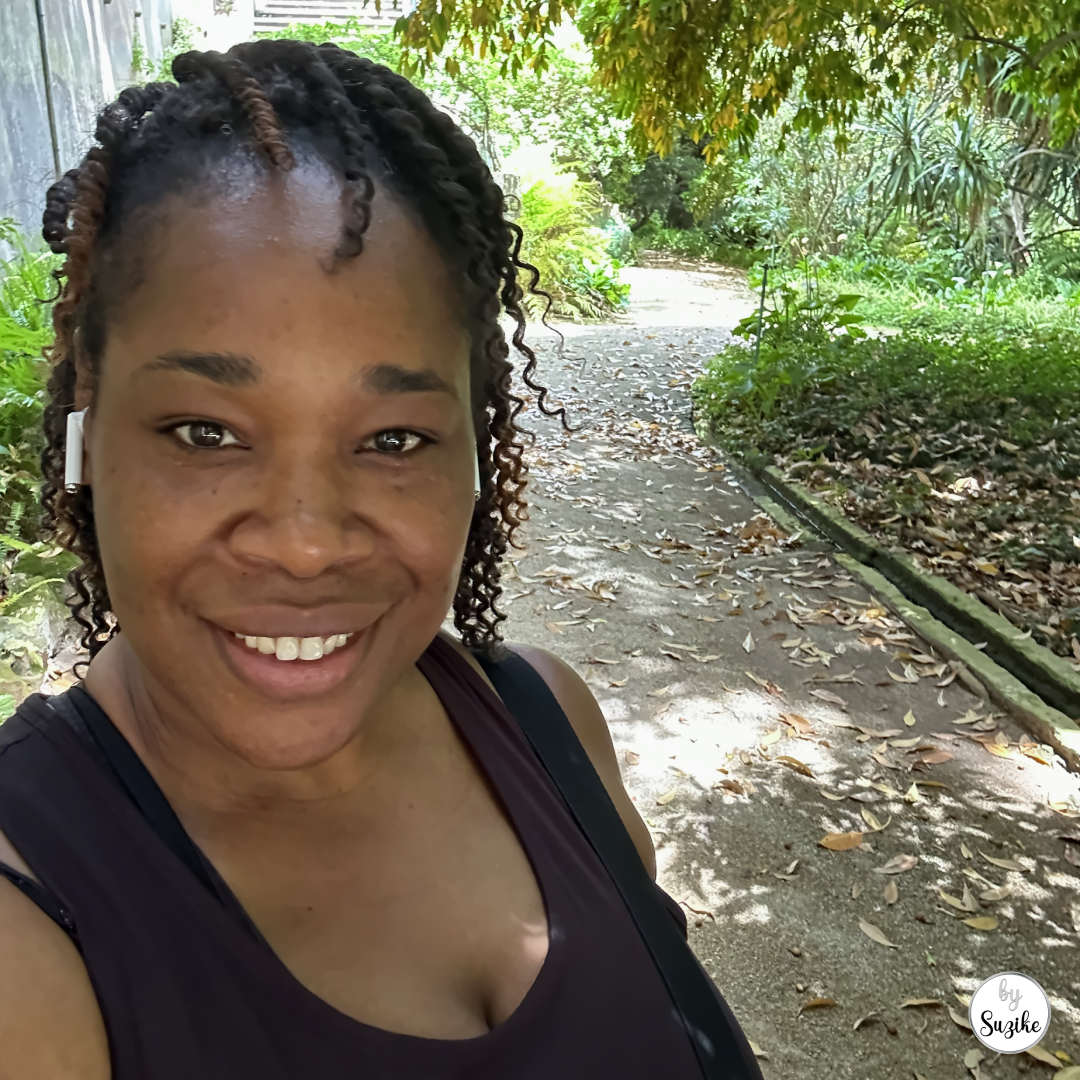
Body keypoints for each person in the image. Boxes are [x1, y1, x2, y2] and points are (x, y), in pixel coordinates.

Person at [0, 40, 762, 1079]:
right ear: (93, 416)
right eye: (204, 432)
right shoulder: (28, 929)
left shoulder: (551, 725)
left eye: (393, 439)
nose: (307, 543)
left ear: (475, 449)